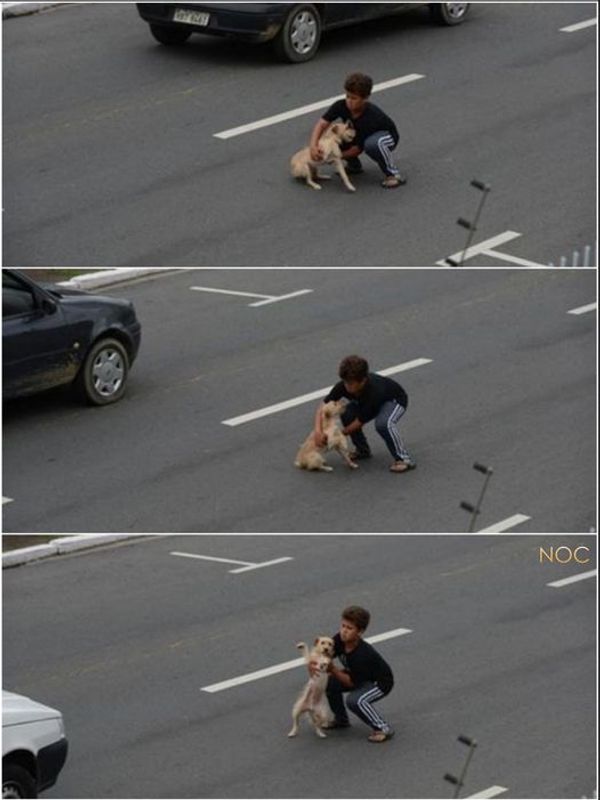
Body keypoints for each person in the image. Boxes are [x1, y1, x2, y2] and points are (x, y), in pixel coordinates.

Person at [313, 354, 415, 473]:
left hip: (393, 401)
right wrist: (318, 431)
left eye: (350, 384)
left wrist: (337, 435)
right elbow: (322, 407)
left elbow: (360, 421)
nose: (347, 386)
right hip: (367, 405)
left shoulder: (374, 390)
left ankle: (404, 459)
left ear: (363, 381)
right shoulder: (342, 386)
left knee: (383, 424)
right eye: (345, 382)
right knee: (347, 413)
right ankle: (362, 451)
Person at [309, 72, 406, 189]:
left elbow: (357, 149)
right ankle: (354, 166)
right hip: (357, 135)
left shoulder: (371, 117)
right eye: (347, 96)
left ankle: (393, 174)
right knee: (337, 136)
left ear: (365, 98)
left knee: (372, 145)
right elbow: (322, 124)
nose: (349, 101)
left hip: (386, 137)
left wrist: (334, 158)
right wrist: (313, 146)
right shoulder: (340, 105)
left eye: (354, 98)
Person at [322, 606, 395, 743]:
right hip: (360, 676)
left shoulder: (362, 655)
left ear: (360, 632)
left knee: (355, 700)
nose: (344, 631)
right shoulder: (339, 639)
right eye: (343, 626)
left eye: (349, 628)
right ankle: (341, 720)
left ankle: (383, 728)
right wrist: (317, 661)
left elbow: (351, 683)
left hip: (379, 684)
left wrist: (332, 669)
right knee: (328, 682)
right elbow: (326, 655)